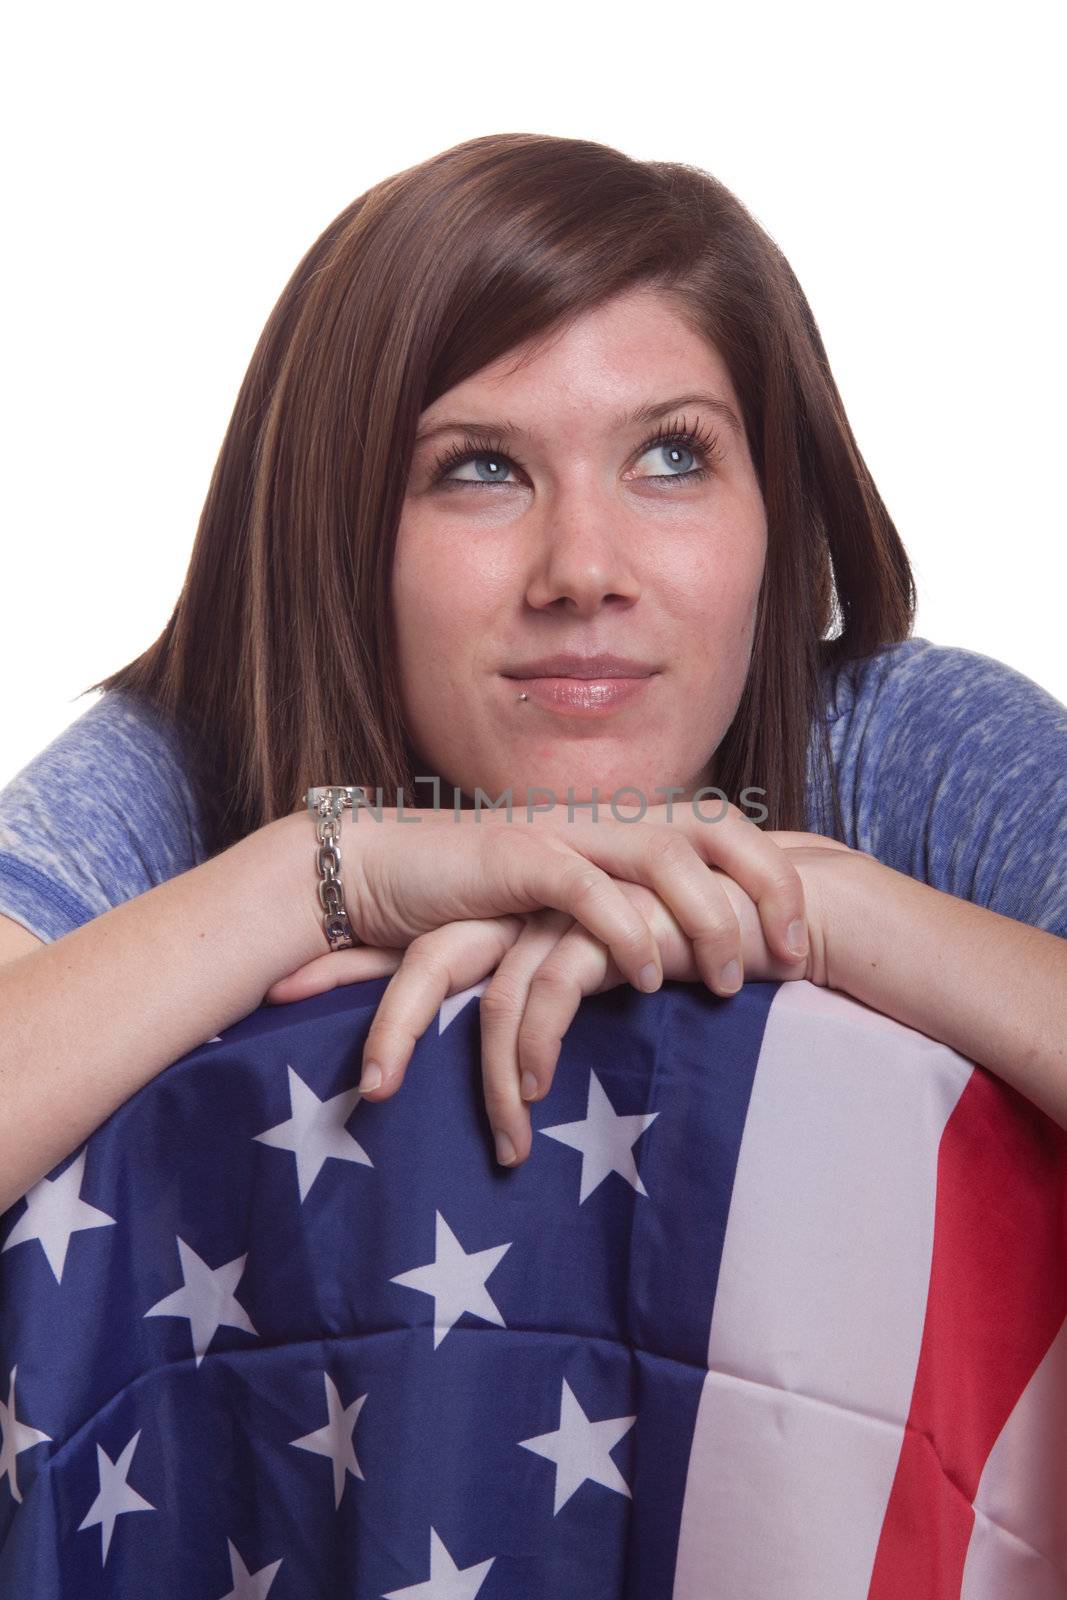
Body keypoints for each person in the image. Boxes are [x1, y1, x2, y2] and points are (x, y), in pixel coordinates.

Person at [1, 131, 1065, 1216]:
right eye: (479, 468)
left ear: (775, 513)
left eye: (670, 457)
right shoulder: (183, 768)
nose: (583, 571)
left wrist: (817, 916)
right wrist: (321, 876)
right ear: (331, 536)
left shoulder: (898, 749)